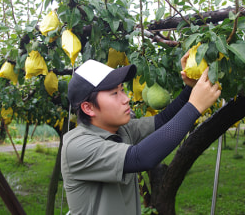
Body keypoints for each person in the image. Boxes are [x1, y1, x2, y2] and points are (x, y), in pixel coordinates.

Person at [61, 52, 221, 215]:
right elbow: (140, 157)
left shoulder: (121, 130)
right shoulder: (76, 145)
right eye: (114, 93)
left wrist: (190, 89)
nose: (126, 99)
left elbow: (162, 120)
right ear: (88, 108)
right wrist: (194, 107)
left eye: (122, 89)